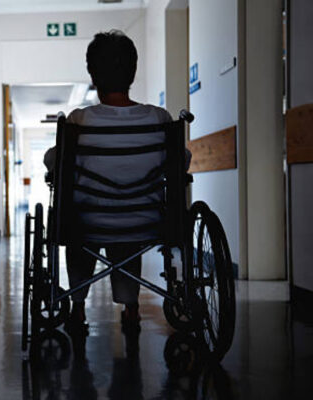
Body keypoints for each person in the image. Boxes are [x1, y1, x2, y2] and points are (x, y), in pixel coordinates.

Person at [43, 30, 190, 335]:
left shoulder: (79, 120)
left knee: (78, 230)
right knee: (127, 238)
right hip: (145, 221)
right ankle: (131, 309)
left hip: (89, 221)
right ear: (132, 73)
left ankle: (78, 306)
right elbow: (182, 163)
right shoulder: (159, 118)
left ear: (93, 76)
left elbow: (54, 162)